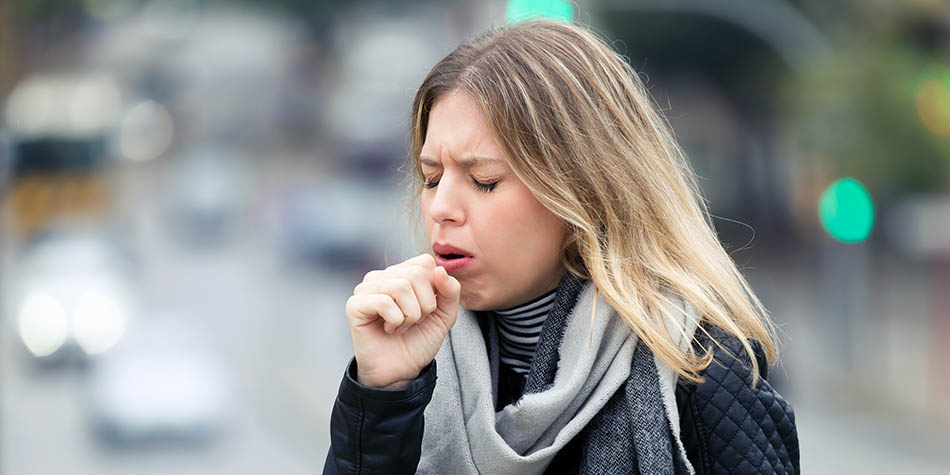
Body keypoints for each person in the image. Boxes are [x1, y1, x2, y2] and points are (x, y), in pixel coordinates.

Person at [323, 20, 799, 475]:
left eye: (483, 181)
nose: (441, 207)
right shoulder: (413, 363)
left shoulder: (704, 366)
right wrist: (382, 394)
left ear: (582, 191)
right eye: (431, 178)